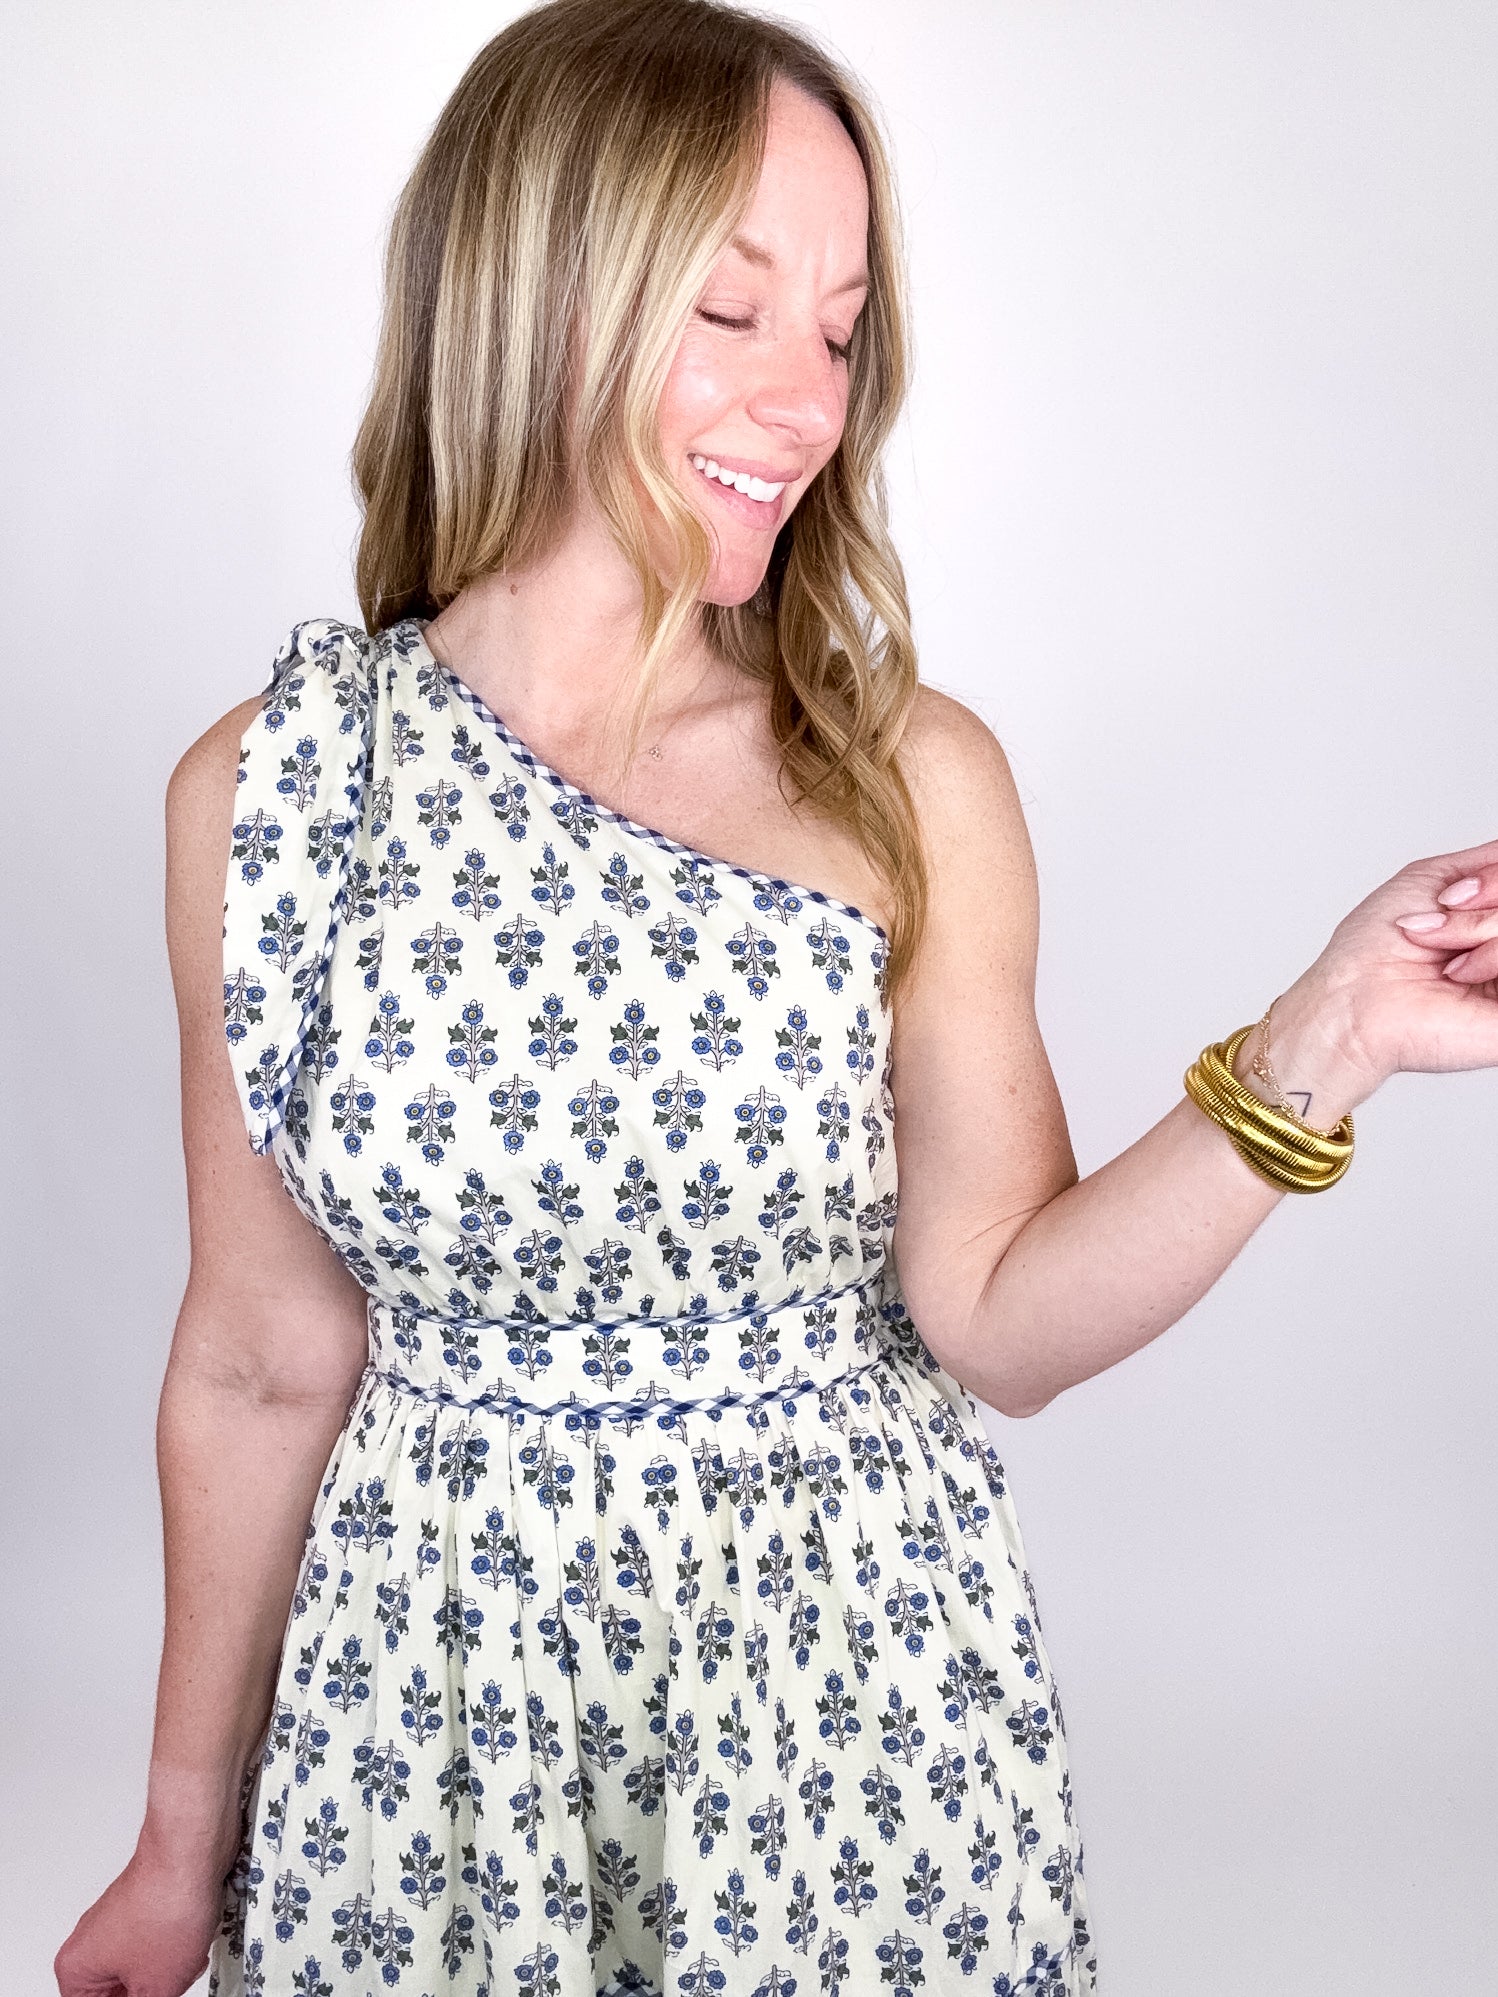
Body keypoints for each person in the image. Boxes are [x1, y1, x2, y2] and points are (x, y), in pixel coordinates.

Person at [55, 2, 1497, 1993]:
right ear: (529, 293)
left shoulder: (904, 777)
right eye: (729, 313)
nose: (803, 402)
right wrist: (174, 1849)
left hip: (839, 1719)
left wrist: (1323, 1039)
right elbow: (256, 1365)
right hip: (434, 1725)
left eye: (836, 329)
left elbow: (1001, 1321)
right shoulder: (275, 790)